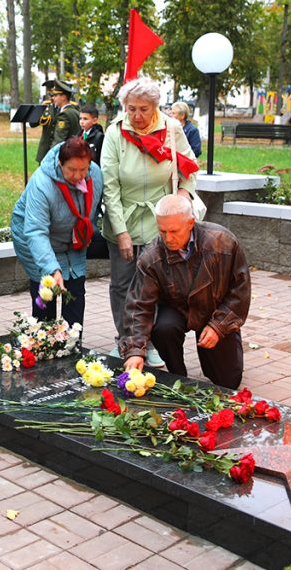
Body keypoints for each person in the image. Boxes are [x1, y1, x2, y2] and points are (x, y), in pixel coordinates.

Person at [102, 77, 204, 367]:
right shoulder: (115, 133)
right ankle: (125, 340)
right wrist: (121, 232)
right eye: (131, 109)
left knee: (156, 284)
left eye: (144, 109)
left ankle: (149, 343)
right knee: (123, 283)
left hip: (161, 220)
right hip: (123, 215)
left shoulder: (171, 129)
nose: (137, 116)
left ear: (155, 106)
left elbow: (189, 168)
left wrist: (181, 198)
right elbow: (110, 186)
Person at [122, 194, 250, 389]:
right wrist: (135, 350)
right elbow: (139, 305)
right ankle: (177, 375)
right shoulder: (151, 256)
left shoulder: (223, 242)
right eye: (162, 231)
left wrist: (219, 326)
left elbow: (240, 291)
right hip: (177, 308)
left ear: (191, 223)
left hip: (214, 309)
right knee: (164, 328)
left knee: (228, 382)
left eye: (174, 231)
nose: (168, 238)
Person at [11, 137, 101, 326]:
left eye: (83, 170)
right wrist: (52, 268)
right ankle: (43, 341)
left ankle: (73, 342)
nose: (78, 176)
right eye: (72, 170)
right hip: (36, 239)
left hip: (73, 240)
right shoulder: (42, 184)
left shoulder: (95, 175)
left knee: (75, 290)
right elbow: (36, 231)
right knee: (46, 293)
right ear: (60, 164)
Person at [36, 79, 81, 163]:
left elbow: (59, 139)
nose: (53, 98)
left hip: (63, 155)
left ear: (63, 97)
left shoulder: (64, 114)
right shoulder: (75, 111)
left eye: (56, 95)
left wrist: (51, 157)